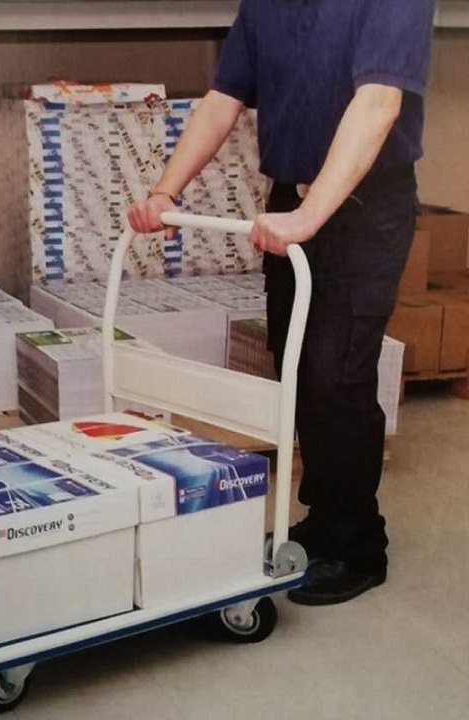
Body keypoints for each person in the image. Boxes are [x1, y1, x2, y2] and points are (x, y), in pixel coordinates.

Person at [128, 0, 435, 606]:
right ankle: (324, 521)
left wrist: (310, 215)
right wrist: (165, 191)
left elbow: (379, 103)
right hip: (294, 202)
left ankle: (358, 545)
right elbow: (223, 100)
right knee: (294, 367)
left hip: (365, 208)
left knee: (336, 374)